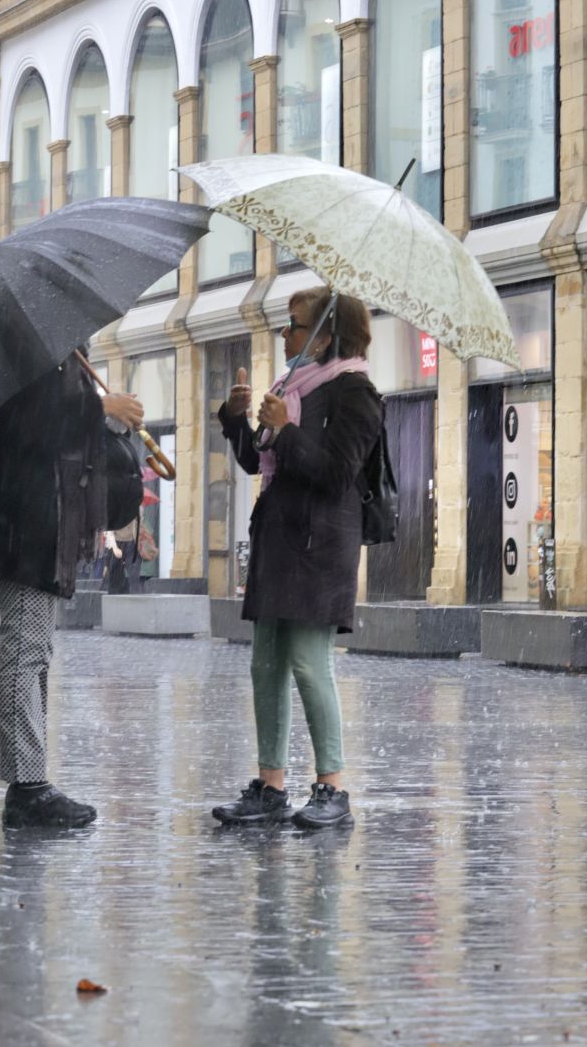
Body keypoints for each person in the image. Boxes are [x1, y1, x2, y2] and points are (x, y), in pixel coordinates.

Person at [212, 287, 382, 831]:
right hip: (279, 540)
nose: (285, 335)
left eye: (294, 325)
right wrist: (239, 419)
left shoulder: (356, 392)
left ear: (326, 335)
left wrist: (286, 428)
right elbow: (256, 460)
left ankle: (332, 787)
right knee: (265, 666)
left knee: (309, 664)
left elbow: (335, 474)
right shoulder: (293, 386)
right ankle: (270, 786)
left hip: (320, 546)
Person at [0, 354, 144, 829]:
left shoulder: (58, 360)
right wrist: (100, 407)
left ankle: (31, 781)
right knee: (24, 655)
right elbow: (32, 430)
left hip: (42, 529)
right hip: (23, 529)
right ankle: (27, 788)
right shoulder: (30, 361)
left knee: (34, 654)